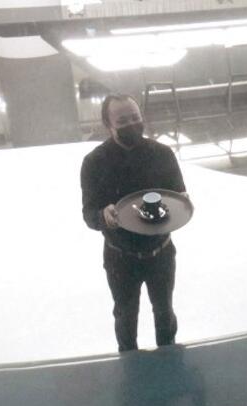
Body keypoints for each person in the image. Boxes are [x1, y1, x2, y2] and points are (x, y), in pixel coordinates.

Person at [81, 94, 186, 352]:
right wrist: (102, 216)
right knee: (125, 318)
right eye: (123, 120)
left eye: (135, 118)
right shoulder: (94, 163)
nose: (132, 124)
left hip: (160, 252)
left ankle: (168, 360)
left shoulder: (162, 154)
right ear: (108, 124)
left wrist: (179, 205)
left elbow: (179, 195)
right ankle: (129, 366)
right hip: (120, 258)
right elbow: (89, 214)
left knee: (165, 312)